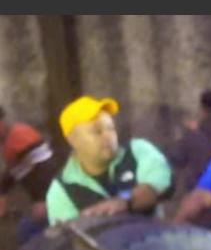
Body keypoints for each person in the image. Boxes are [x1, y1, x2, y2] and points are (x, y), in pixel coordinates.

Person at [45, 96, 173, 224]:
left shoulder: (139, 151)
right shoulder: (61, 190)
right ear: (72, 140)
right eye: (97, 131)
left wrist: (126, 202)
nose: (108, 136)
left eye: (111, 128)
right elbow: (69, 238)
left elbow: (160, 184)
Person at [0, 106, 63, 243]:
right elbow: (13, 171)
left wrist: (44, 200)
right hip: (43, 199)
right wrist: (3, 194)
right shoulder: (8, 144)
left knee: (27, 232)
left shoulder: (20, 136)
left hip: (53, 198)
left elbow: (46, 168)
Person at [165, 89, 211, 195]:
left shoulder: (193, 135)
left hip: (200, 195)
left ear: (204, 110)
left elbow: (177, 158)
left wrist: (182, 136)